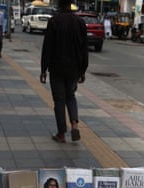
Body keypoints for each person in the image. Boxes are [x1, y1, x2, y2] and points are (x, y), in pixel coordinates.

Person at [40, 0, 88, 143]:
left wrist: (43, 69)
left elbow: (47, 47)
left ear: (59, 5)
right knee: (71, 96)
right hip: (74, 69)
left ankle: (61, 134)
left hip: (56, 68)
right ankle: (74, 124)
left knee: (59, 100)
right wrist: (83, 70)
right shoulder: (80, 22)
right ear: (71, 5)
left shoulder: (54, 21)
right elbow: (84, 49)